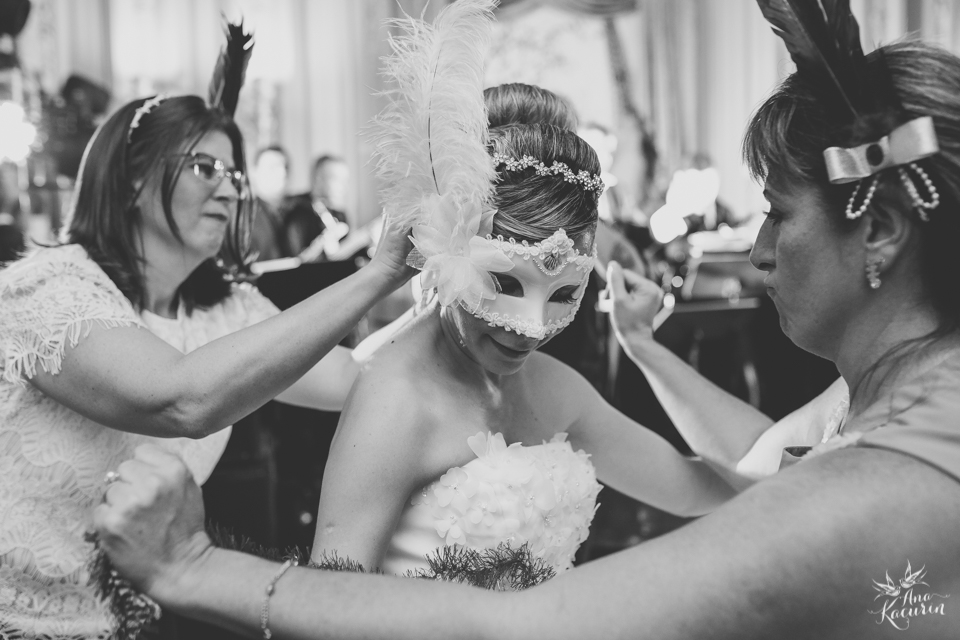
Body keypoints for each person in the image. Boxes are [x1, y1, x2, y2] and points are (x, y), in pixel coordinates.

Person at [95, 21, 960, 640]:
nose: (532, 326)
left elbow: (706, 488)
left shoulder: (886, 470)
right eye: (503, 283)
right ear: (443, 247)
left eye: (562, 291)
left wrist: (198, 568)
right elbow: (340, 589)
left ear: (879, 230)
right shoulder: (396, 392)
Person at [0, 94, 412, 638]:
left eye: (234, 172)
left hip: (129, 620)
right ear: (131, 179)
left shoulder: (226, 309)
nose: (229, 187)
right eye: (204, 167)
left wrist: (447, 304)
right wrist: (379, 272)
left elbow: (355, 376)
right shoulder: (49, 288)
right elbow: (178, 399)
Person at [249, 145, 294, 261]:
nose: (282, 173)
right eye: (273, 167)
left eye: (285, 167)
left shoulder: (297, 212)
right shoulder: (243, 216)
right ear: (254, 173)